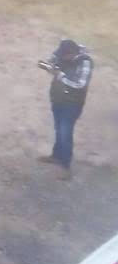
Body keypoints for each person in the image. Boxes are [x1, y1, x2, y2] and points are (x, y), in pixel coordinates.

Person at [39, 39, 92, 180]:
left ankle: (65, 166)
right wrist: (50, 65)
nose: (61, 58)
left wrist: (60, 76)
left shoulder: (85, 62)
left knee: (65, 132)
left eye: (64, 56)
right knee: (58, 128)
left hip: (72, 104)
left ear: (72, 54)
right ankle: (56, 156)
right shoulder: (64, 51)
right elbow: (53, 58)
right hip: (58, 99)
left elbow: (80, 84)